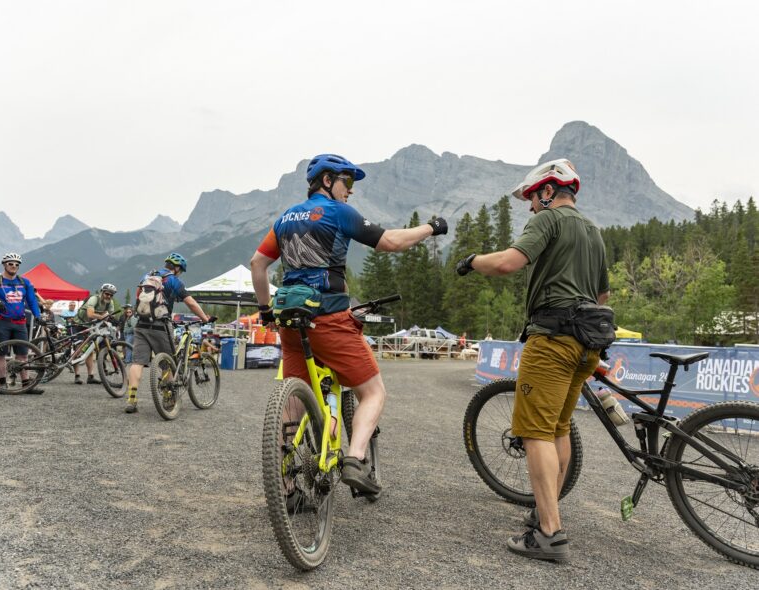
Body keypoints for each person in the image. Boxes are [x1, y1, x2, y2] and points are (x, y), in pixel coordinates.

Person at [250, 153, 448, 494]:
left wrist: (265, 311)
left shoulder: (285, 218)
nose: (350, 190)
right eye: (348, 181)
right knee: (373, 392)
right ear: (328, 181)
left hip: (291, 320)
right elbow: (391, 242)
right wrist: (432, 227)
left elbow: (257, 264)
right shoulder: (337, 212)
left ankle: (285, 486)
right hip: (329, 317)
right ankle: (354, 460)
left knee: (294, 401)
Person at [455, 158, 609, 561]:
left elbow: (508, 262)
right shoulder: (593, 231)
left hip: (553, 338)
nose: (530, 206)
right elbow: (602, 296)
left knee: (535, 432)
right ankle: (546, 511)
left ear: (548, 191)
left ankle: (549, 533)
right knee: (558, 428)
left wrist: (472, 262)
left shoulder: (549, 220)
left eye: (532, 198)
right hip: (587, 342)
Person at [123, 253, 215, 413]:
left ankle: (131, 399)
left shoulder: (147, 276)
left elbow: (138, 296)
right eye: (181, 271)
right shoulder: (174, 281)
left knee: (137, 362)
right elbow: (191, 303)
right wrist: (204, 318)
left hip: (141, 324)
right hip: (161, 325)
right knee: (168, 363)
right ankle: (168, 397)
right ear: (177, 268)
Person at [0, 253, 44, 394]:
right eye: (10, 263)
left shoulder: (24, 282)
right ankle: (2, 385)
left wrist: (38, 315)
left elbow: (32, 300)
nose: (14, 266)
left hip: (20, 322)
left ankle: (26, 384)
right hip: (0, 321)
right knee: (1, 354)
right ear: (4, 265)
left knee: (23, 355)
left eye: (16, 264)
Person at [73, 283, 117, 385]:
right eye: (107, 294)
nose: (109, 296)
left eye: (111, 295)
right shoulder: (94, 299)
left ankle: (90, 376)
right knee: (78, 349)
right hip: (79, 324)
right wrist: (103, 317)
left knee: (90, 350)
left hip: (91, 325)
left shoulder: (110, 302)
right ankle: (77, 375)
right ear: (102, 292)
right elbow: (90, 314)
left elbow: (110, 315)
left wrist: (110, 319)